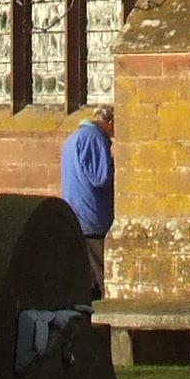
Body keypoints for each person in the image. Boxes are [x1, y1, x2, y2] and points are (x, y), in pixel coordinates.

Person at [59, 110, 114, 295]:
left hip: (74, 212)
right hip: (92, 215)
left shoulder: (72, 138)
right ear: (110, 122)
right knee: (101, 271)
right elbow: (100, 177)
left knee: (84, 275)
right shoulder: (95, 137)